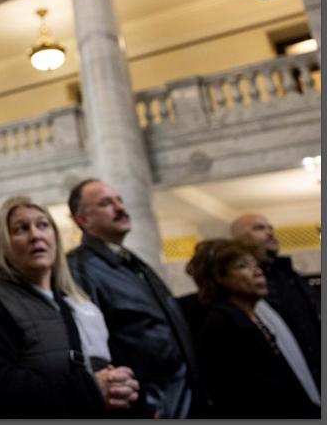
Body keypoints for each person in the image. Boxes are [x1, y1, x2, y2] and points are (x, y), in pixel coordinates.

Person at [0, 196, 139, 417]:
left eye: (43, 225)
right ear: (4, 242)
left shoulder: (75, 299)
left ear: (55, 236)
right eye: (21, 229)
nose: (35, 235)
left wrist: (122, 386)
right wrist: (91, 389)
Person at [67, 179, 204, 418]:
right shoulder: (81, 268)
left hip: (185, 398)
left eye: (119, 200)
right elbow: (93, 347)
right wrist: (143, 405)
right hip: (152, 408)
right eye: (106, 203)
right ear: (83, 220)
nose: (120, 207)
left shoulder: (131, 261)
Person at [186, 238, 320, 418]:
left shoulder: (255, 317)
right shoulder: (222, 323)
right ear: (219, 277)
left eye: (256, 265)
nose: (257, 272)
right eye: (243, 266)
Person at [230, 212, 320, 384]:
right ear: (238, 240)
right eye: (259, 228)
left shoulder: (290, 276)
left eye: (270, 228)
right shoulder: (242, 286)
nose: (270, 232)